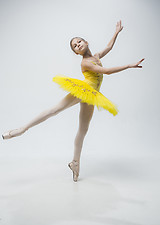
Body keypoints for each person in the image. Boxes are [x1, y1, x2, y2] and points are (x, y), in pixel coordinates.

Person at [2, 20, 144, 182]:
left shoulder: (96, 56)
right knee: (54, 110)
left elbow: (109, 47)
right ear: (76, 53)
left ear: (86, 42)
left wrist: (116, 32)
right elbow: (106, 71)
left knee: (83, 130)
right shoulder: (85, 62)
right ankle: (21, 129)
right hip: (83, 90)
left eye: (79, 42)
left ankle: (75, 162)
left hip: (92, 95)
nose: (77, 45)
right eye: (75, 46)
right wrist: (128, 65)